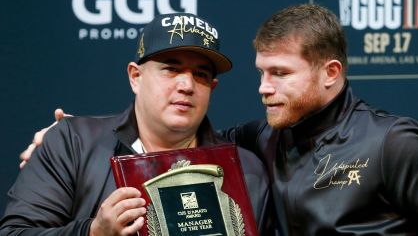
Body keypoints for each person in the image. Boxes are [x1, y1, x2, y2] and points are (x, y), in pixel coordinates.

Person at [16, 4, 418, 235]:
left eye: (279, 74)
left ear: (330, 74)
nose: (263, 88)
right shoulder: (256, 142)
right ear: (135, 76)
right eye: (170, 69)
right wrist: (69, 140)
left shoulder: (390, 141)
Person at [0, 13, 270, 235]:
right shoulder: (74, 142)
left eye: (200, 74)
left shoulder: (246, 169)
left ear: (212, 87)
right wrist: (92, 232)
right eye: (171, 69)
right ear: (135, 77)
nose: (187, 85)